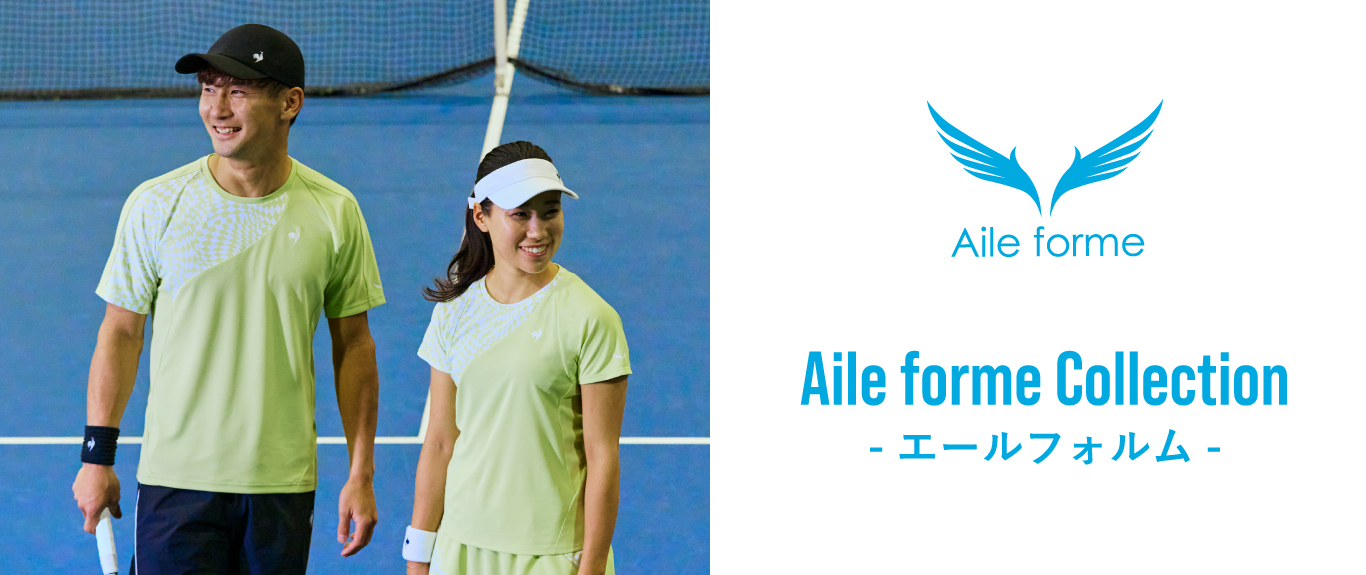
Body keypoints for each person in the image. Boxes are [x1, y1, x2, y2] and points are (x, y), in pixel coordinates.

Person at [70, 24, 383, 574]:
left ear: (290, 103)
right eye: (208, 88)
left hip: (282, 483)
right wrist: (98, 456)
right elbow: (120, 331)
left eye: (238, 91)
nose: (217, 108)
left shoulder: (335, 211)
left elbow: (354, 345)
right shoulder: (156, 204)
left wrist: (361, 473)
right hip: (176, 479)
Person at [404, 141, 630, 575]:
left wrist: (593, 568)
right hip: (460, 548)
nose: (538, 231)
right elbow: (440, 442)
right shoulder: (453, 313)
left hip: (550, 554)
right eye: (520, 214)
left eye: (550, 211)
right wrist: (418, 558)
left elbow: (602, 458)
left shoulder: (591, 317)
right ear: (481, 217)